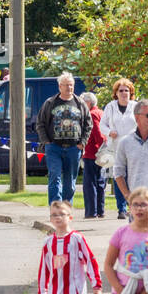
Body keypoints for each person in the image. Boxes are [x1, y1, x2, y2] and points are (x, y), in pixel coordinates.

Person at [34, 72, 89, 206]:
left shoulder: (80, 103)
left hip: (73, 148)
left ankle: (66, 208)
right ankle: (55, 209)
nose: (69, 88)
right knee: (55, 178)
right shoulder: (50, 103)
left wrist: (82, 143)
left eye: (71, 85)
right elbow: (40, 123)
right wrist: (46, 141)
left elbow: (88, 124)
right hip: (54, 148)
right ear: (59, 86)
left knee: (70, 182)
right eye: (66, 85)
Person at [100, 78, 138, 219]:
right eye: (120, 90)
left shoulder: (135, 106)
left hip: (133, 147)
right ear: (116, 93)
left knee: (132, 177)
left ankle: (133, 206)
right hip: (116, 146)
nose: (123, 93)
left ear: (131, 92)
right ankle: (121, 209)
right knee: (119, 176)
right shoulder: (110, 106)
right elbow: (101, 125)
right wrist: (109, 132)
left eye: (126, 90)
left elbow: (141, 124)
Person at [80, 92, 106, 218]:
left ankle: (91, 212)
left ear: (88, 103)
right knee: (100, 182)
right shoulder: (101, 112)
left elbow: (97, 133)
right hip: (100, 154)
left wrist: (102, 148)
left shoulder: (91, 114)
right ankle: (100, 210)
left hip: (92, 153)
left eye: (82, 102)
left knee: (90, 184)